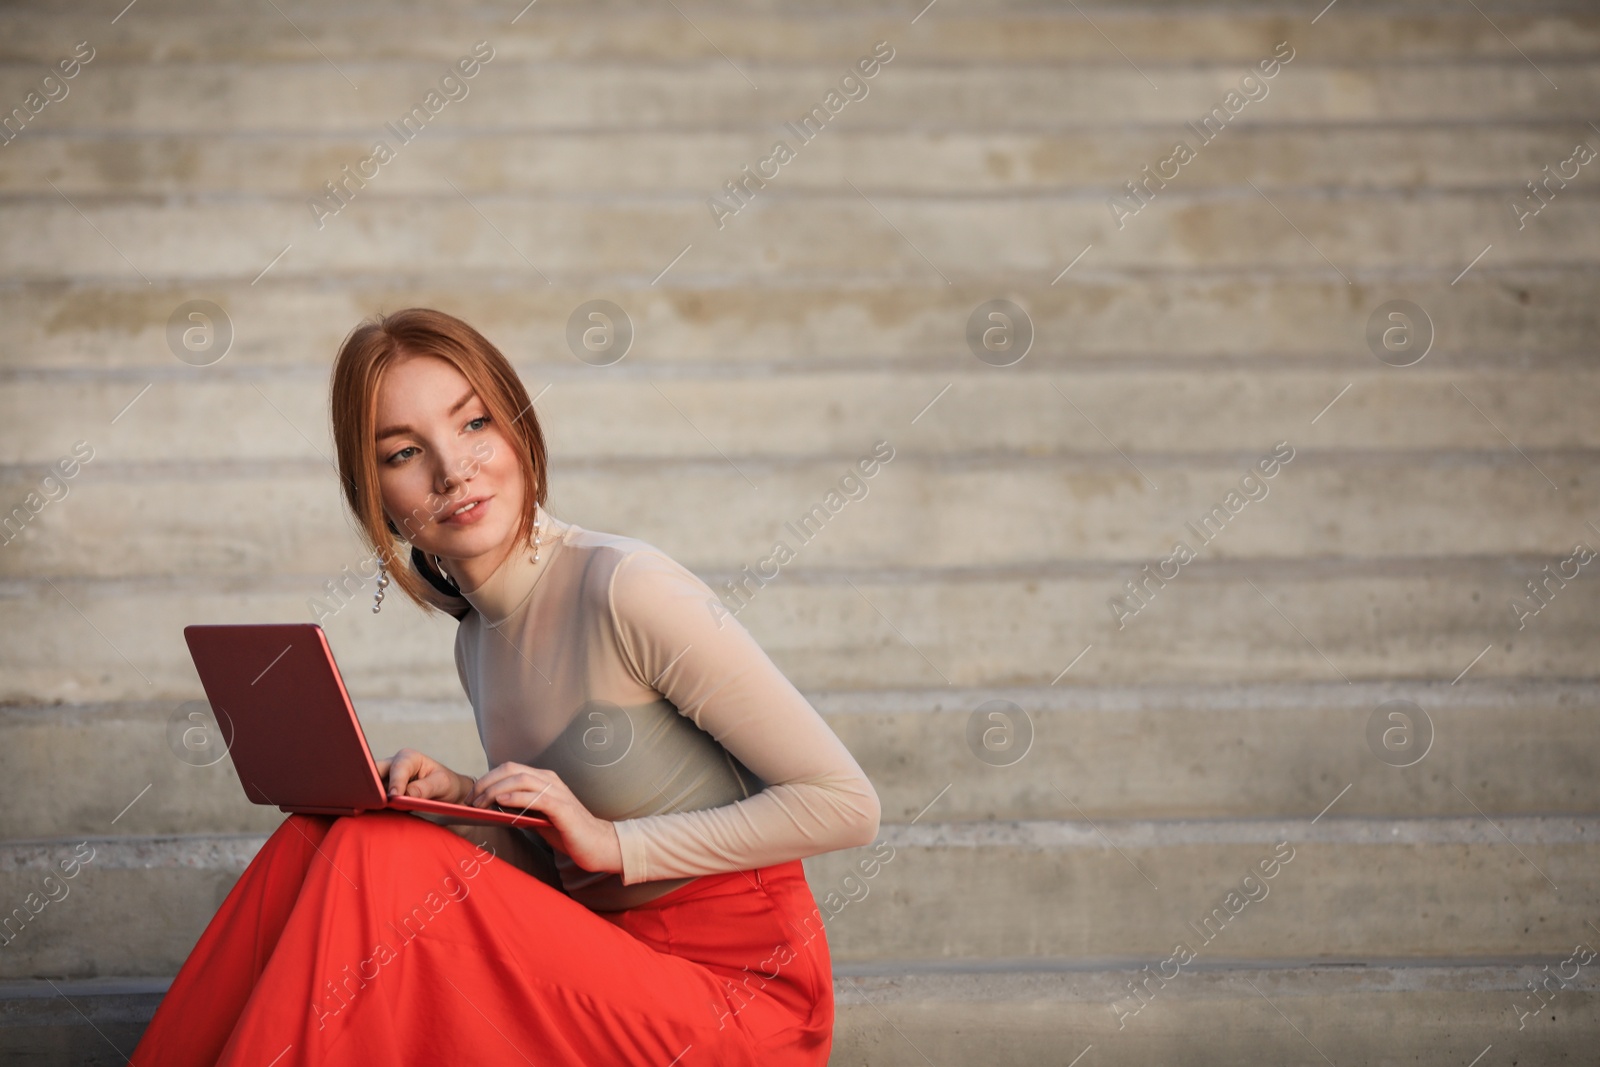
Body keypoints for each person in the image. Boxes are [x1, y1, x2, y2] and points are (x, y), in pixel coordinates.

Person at [130, 307, 882, 1066]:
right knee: (324, 837)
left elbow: (845, 803)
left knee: (377, 863)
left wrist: (612, 841)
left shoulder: (625, 586)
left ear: (518, 426)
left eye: (474, 423)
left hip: (739, 998)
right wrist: (462, 800)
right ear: (377, 498)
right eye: (403, 453)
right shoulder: (475, 640)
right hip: (604, 969)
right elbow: (562, 876)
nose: (453, 471)